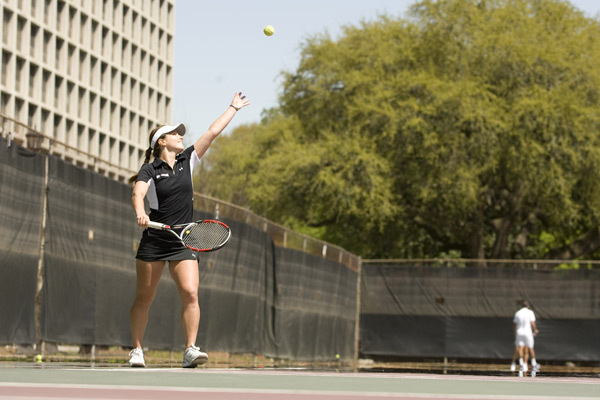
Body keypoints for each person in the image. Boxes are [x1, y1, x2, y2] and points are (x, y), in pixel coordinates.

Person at [127, 92, 250, 368]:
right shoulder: (150, 169)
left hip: (184, 240)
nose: (180, 135)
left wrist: (233, 107)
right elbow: (138, 194)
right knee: (144, 297)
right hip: (155, 241)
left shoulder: (188, 161)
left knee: (191, 293)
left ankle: (190, 349)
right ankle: (136, 350)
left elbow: (213, 132)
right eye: (174, 133)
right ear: (162, 141)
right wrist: (140, 213)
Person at [512, 300, 539, 376]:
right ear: (528, 306)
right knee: (530, 348)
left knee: (520, 347)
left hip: (519, 332)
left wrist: (515, 332)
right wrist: (535, 329)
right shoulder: (530, 312)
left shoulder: (518, 313)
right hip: (527, 332)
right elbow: (532, 322)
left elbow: (515, 324)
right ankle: (533, 364)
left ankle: (521, 363)